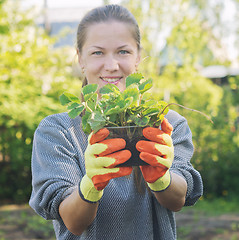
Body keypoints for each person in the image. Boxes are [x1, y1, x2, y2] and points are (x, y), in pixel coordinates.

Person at [29, 4, 203, 240]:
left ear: (138, 57)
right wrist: (90, 185)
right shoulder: (58, 131)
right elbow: (73, 222)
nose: (111, 66)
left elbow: (178, 200)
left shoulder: (166, 123)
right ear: (80, 58)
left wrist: (162, 178)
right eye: (98, 52)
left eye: (123, 52)